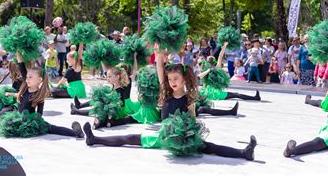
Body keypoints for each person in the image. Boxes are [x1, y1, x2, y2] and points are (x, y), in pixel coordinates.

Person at [82, 49, 256, 161]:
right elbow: (160, 71)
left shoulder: (189, 98)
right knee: (129, 138)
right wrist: (159, 54)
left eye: (176, 79)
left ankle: (243, 153)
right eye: (170, 79)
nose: (172, 82)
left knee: (210, 146)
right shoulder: (165, 93)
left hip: (180, 135)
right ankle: (94, 139)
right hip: (164, 134)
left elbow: (193, 120)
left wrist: (187, 135)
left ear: (183, 80)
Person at [0, 52, 84, 139]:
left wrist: (37, 123)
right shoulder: (24, 87)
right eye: (27, 77)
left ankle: (76, 133)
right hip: (18, 118)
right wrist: (18, 50)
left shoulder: (39, 95)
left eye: (30, 77)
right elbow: (21, 66)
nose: (27, 79)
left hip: (30, 121)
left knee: (52, 128)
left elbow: (39, 114)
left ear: (39, 80)